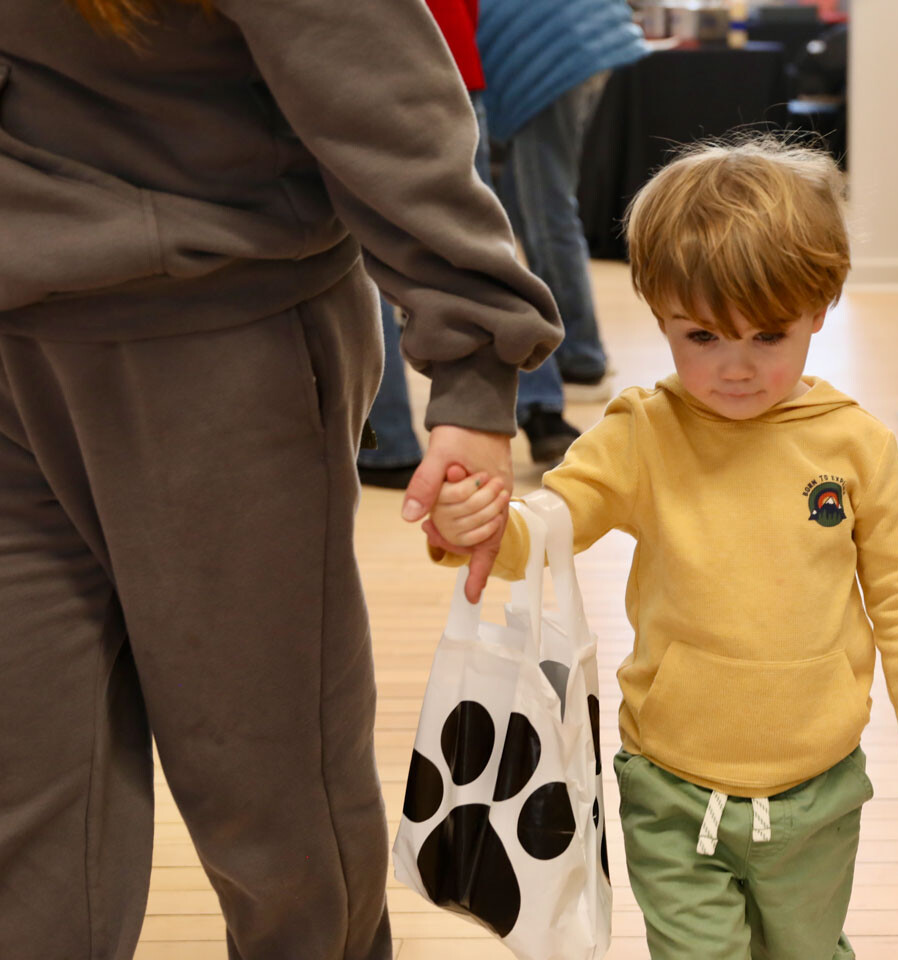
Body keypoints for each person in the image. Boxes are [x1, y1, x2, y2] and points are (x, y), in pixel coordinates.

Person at [0, 0, 560, 956]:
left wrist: (473, 371)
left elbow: (383, 89)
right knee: (28, 795)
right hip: (17, 346)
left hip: (216, 344)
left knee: (270, 797)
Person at [427, 137, 898, 960]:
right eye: (703, 336)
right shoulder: (644, 432)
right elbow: (552, 523)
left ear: (820, 309)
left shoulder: (856, 447)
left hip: (819, 787)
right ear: (661, 316)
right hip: (672, 787)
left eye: (768, 335)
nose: (736, 368)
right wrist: (480, 526)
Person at [476, 0, 650, 462]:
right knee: (533, 206)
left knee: (544, 212)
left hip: (548, 53)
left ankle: (580, 359)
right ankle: (574, 358)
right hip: (576, 34)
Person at [359, 0, 491, 488]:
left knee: (365, 251)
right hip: (454, 66)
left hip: (379, 69)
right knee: (477, 248)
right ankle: (532, 408)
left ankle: (390, 444)